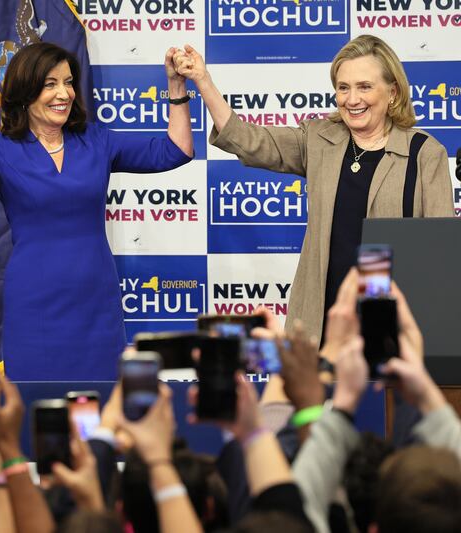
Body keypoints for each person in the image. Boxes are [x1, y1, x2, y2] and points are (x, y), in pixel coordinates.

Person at [0, 42, 194, 380]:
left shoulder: (95, 140)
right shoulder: (0, 149)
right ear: (25, 91)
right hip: (35, 303)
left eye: (68, 82)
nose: (63, 93)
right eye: (50, 84)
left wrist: (176, 86)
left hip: (96, 300)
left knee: (99, 407)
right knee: (38, 408)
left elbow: (176, 151)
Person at [173, 34, 453, 343]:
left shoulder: (425, 153)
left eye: (364, 86)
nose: (352, 99)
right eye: (343, 87)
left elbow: (442, 255)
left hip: (393, 328)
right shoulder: (319, 138)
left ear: (392, 92)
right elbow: (249, 140)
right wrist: (204, 81)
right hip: (319, 325)